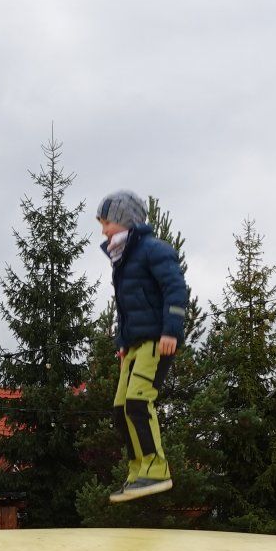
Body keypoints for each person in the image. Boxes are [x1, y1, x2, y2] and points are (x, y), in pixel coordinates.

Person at [95, 190, 189, 504]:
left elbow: (175, 288)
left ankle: (157, 467)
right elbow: (125, 307)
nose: (103, 230)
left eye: (106, 222)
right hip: (133, 345)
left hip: (157, 340)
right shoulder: (122, 259)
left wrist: (171, 331)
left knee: (138, 401)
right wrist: (122, 342)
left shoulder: (153, 250)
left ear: (124, 220)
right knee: (121, 410)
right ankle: (138, 469)